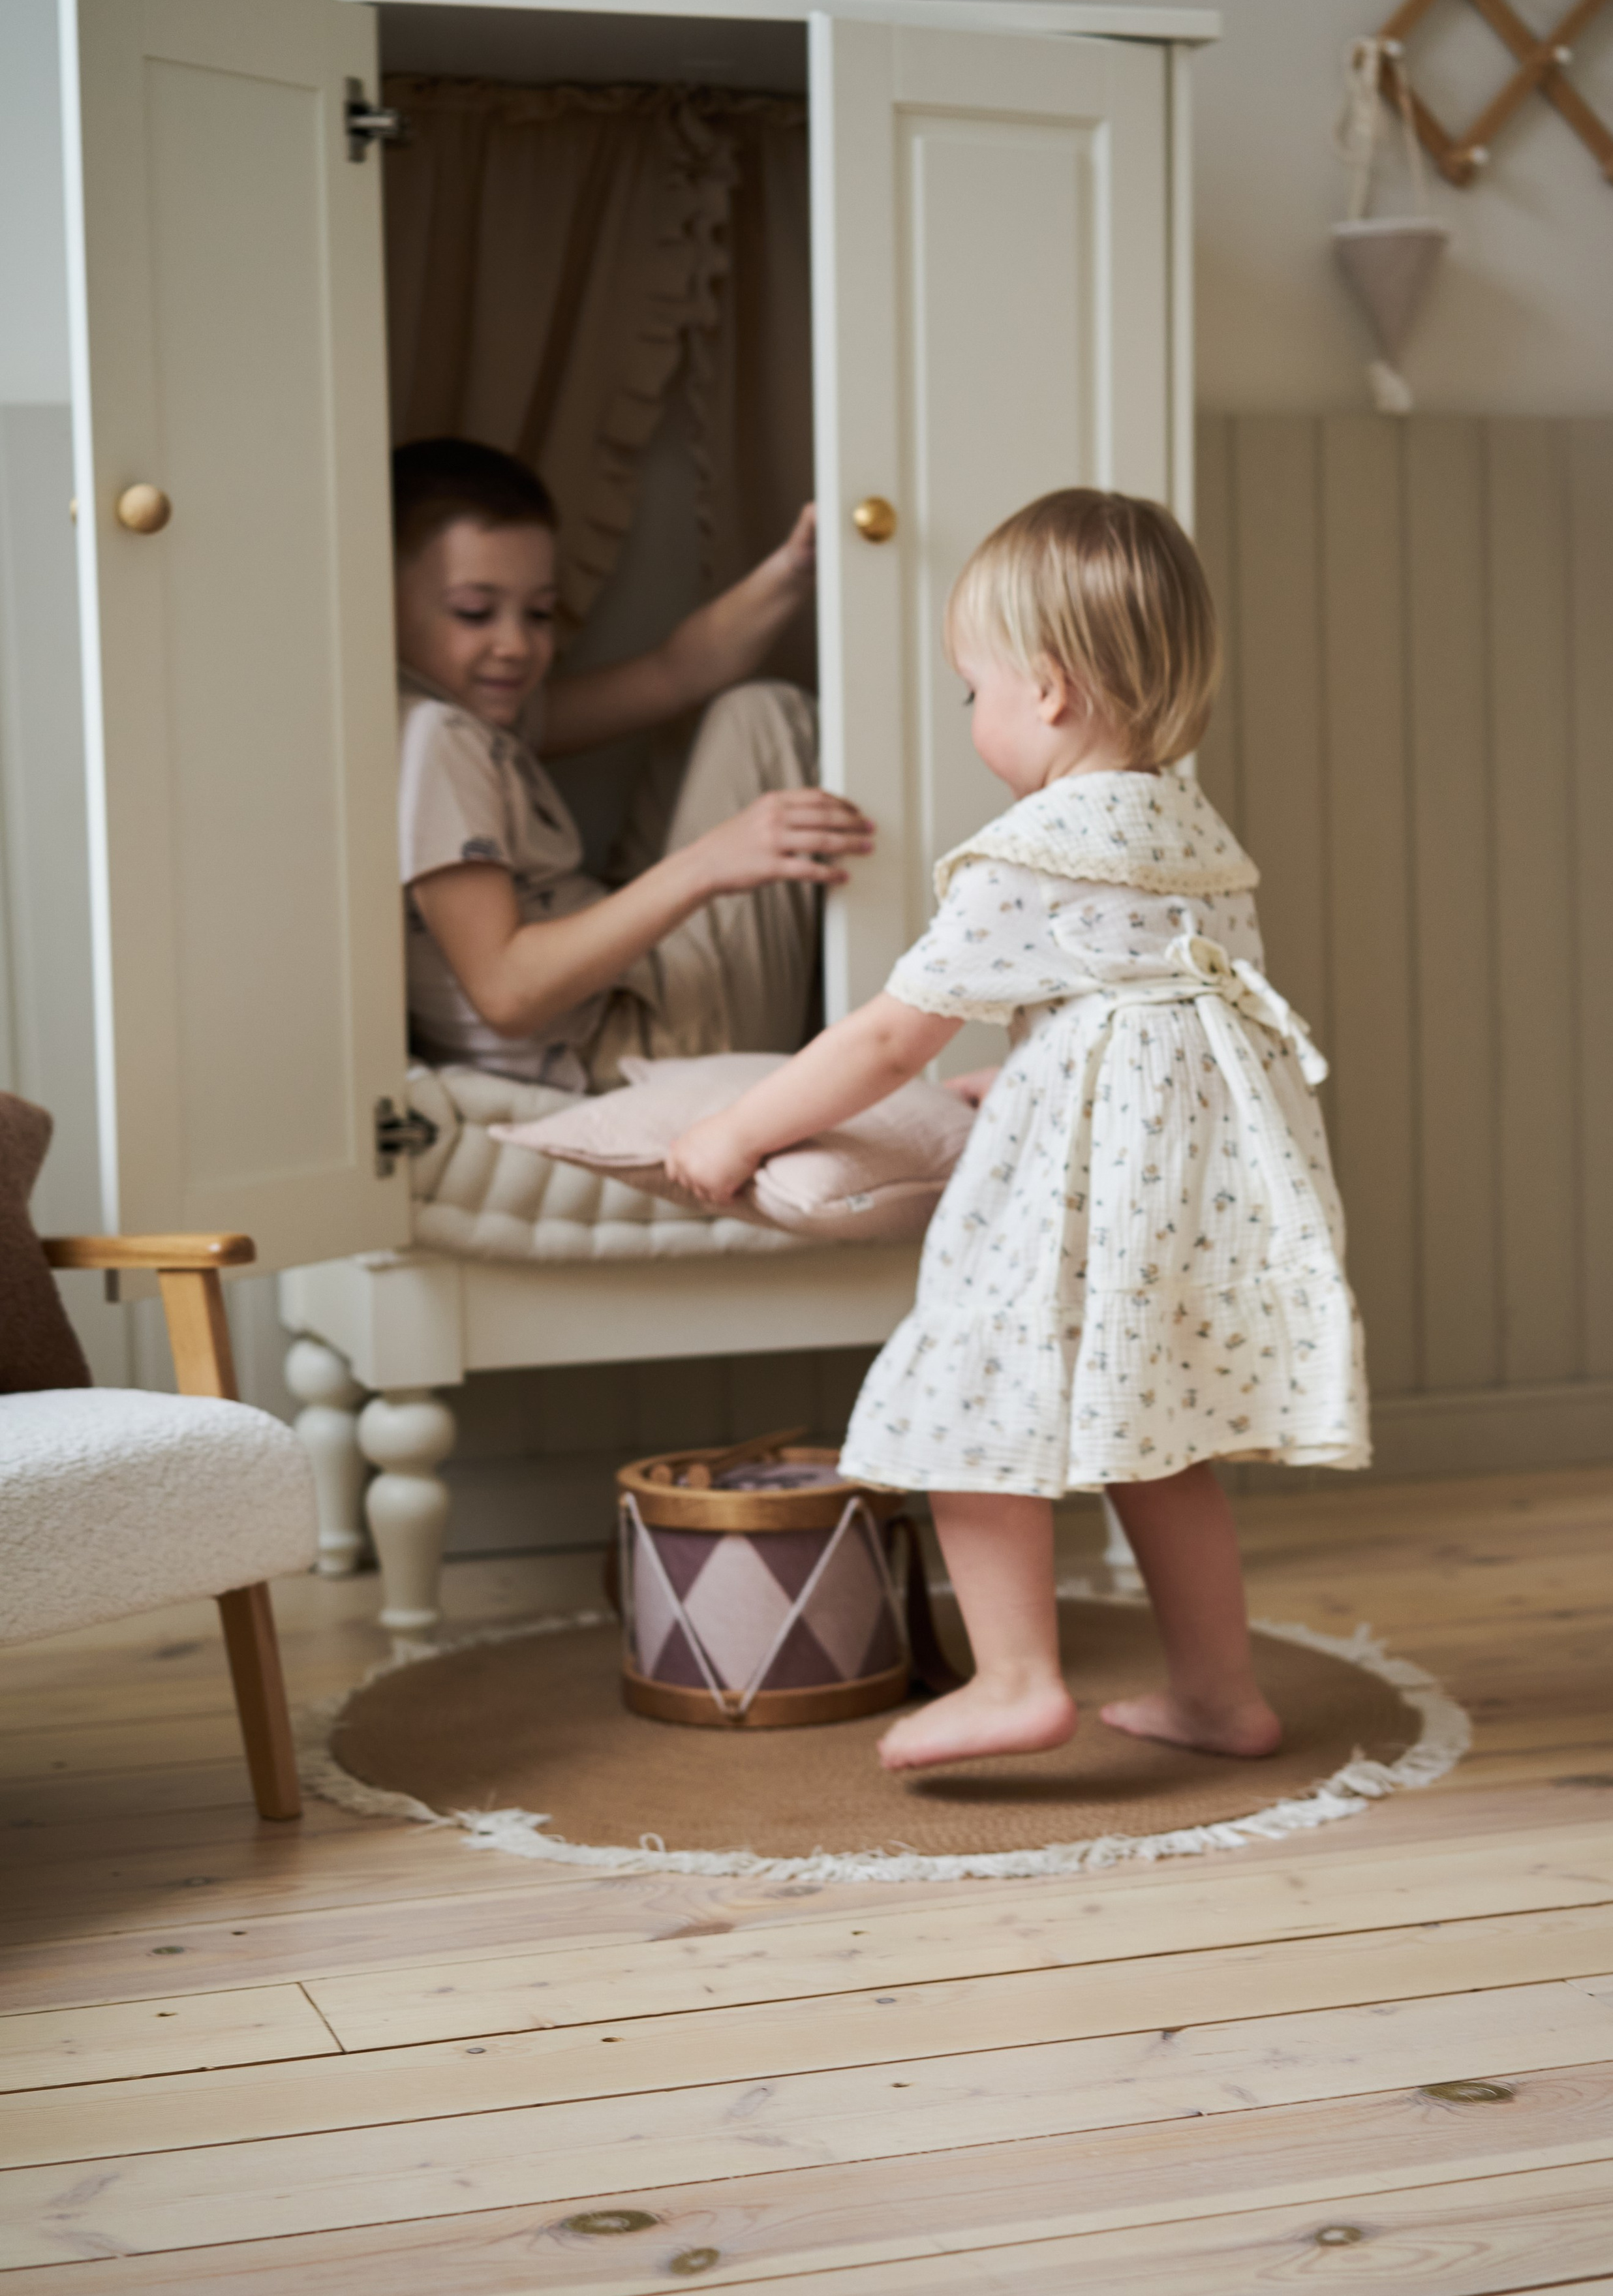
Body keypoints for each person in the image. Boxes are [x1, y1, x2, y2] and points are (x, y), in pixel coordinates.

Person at [667, 487, 1370, 1773]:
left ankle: (1014, 1681)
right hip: (1201, 1192)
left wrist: (731, 1130)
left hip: (1084, 1208)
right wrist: (1040, 1073)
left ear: (1044, 692)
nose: (970, 717)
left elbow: (889, 1036)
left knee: (965, 1396)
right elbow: (1141, 1007)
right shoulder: (1193, 831)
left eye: (969, 691)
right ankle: (1220, 1696)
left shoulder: (1035, 842)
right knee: (1166, 1439)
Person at [393, 438, 873, 1092]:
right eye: (475, 613)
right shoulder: (435, 735)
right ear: (382, 604)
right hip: (626, 1051)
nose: (514, 644)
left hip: (621, 1012)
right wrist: (710, 862)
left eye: (537, 613)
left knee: (725, 717)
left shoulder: (465, 718)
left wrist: (792, 567)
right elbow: (506, 994)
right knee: (764, 717)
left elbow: (671, 675)